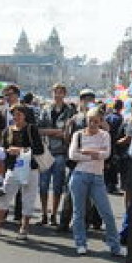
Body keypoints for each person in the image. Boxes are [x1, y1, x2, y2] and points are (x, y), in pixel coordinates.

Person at [66, 107, 122, 256]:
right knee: (79, 212)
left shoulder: (105, 135)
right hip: (79, 175)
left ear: (101, 122)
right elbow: (72, 155)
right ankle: (80, 243)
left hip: (97, 177)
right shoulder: (78, 134)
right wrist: (94, 154)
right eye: (91, 121)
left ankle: (115, 246)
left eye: (96, 121)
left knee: (107, 213)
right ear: (86, 120)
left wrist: (86, 152)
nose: (93, 124)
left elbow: (106, 154)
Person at [0, 103, 42, 241]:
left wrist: (20, 150)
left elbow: (39, 149)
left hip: (30, 169)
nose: (16, 117)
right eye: (13, 114)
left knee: (28, 198)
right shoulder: (6, 131)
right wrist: (8, 152)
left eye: (19, 114)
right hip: (13, 168)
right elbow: (2, 149)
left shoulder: (31, 129)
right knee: (4, 196)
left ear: (25, 115)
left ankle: (24, 228)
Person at [38, 83, 75, 227]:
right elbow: (39, 130)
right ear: (52, 93)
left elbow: (69, 133)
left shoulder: (70, 111)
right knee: (43, 185)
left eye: (60, 92)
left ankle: (53, 214)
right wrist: (56, 132)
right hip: (46, 151)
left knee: (58, 186)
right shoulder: (45, 109)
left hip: (60, 152)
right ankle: (44, 214)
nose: (57, 95)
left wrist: (55, 132)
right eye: (55, 92)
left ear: (64, 94)